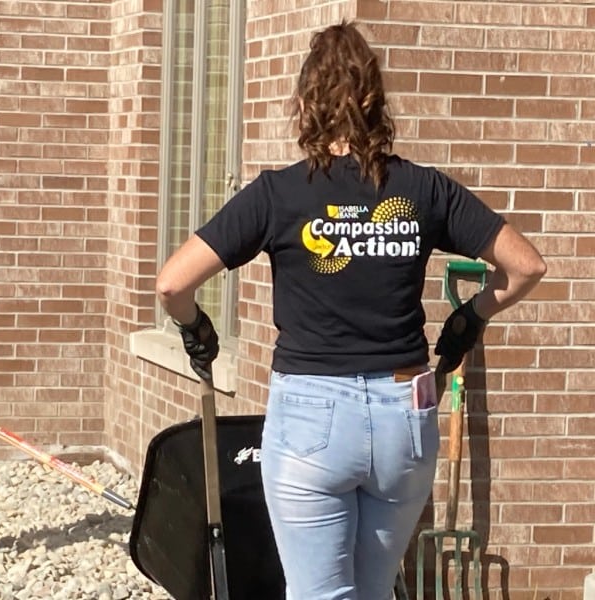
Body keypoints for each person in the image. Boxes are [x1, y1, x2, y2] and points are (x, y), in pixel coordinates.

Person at [156, 21, 546, 600]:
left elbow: (171, 284)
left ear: (307, 102)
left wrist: (196, 326)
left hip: (313, 416)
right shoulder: (423, 189)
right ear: (375, 100)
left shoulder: (279, 193)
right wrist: (473, 314)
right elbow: (527, 267)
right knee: (372, 590)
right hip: (403, 417)